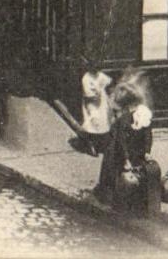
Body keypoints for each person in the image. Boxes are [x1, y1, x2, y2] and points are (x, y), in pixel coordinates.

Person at [96, 73, 159, 214]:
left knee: (138, 171)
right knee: (115, 169)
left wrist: (147, 152)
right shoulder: (124, 121)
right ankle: (111, 198)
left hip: (135, 147)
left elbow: (148, 136)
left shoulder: (145, 118)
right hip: (118, 145)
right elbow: (121, 142)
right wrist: (125, 159)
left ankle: (135, 200)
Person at [65, 56, 113, 155]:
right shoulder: (86, 78)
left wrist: (104, 87)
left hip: (102, 103)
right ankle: (91, 144)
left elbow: (108, 80)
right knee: (93, 123)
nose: (96, 70)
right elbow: (89, 95)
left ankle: (101, 144)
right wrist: (97, 92)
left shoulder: (99, 75)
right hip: (91, 104)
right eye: (95, 67)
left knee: (103, 123)